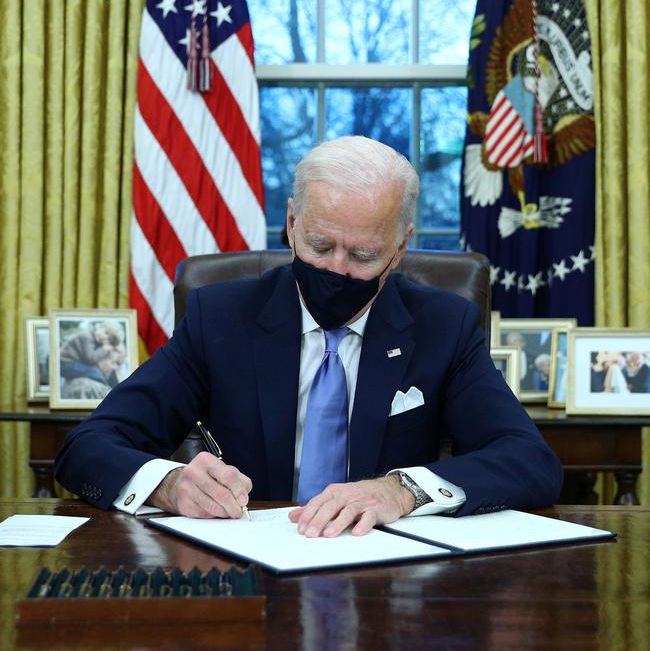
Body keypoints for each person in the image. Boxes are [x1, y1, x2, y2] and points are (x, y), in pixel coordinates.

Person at [54, 136, 562, 537]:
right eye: (320, 245)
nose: (336, 269)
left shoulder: (442, 326)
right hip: (248, 572)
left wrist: (403, 490)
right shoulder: (222, 317)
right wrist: (167, 485)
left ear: (401, 246)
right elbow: (88, 446)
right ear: (293, 224)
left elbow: (529, 460)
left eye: (362, 256)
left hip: (388, 579)